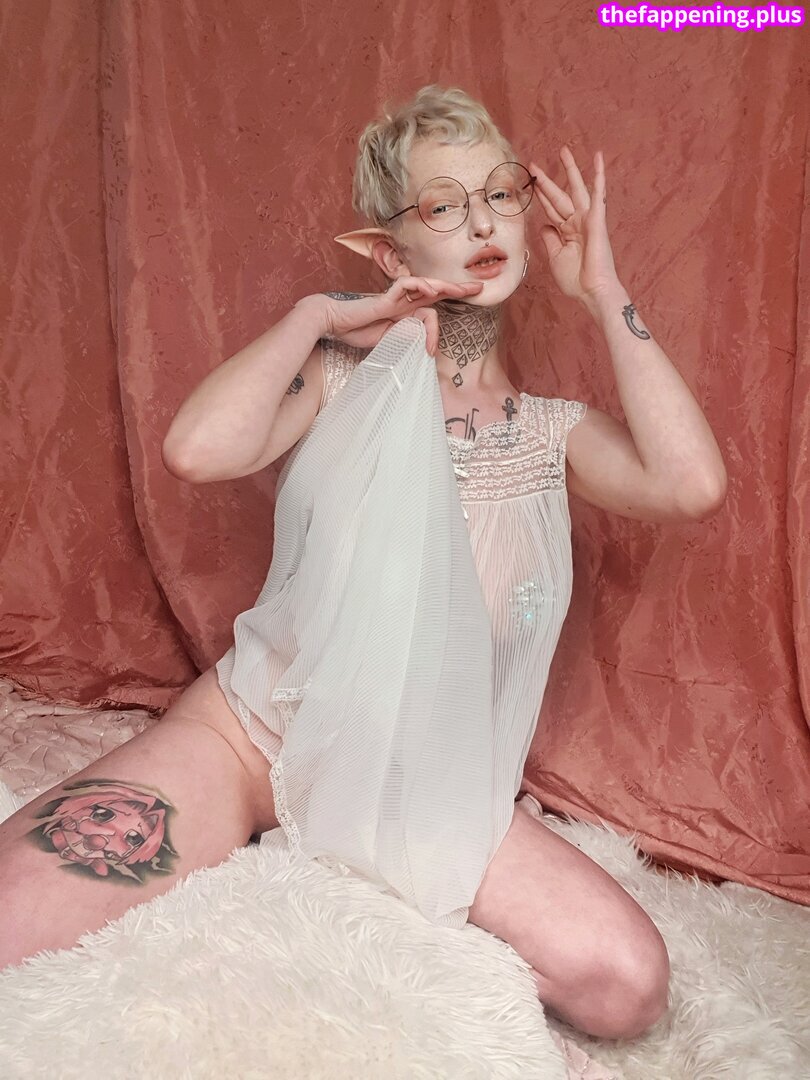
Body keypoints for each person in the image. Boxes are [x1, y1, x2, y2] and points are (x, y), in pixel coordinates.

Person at [0, 83, 725, 1043]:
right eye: (443, 205)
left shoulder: (552, 435)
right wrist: (314, 316)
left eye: (499, 195)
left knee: (626, 984)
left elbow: (690, 484)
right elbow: (197, 451)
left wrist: (604, 289)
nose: (482, 223)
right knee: (14, 910)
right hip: (258, 736)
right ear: (392, 252)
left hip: (421, 784)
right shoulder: (340, 379)